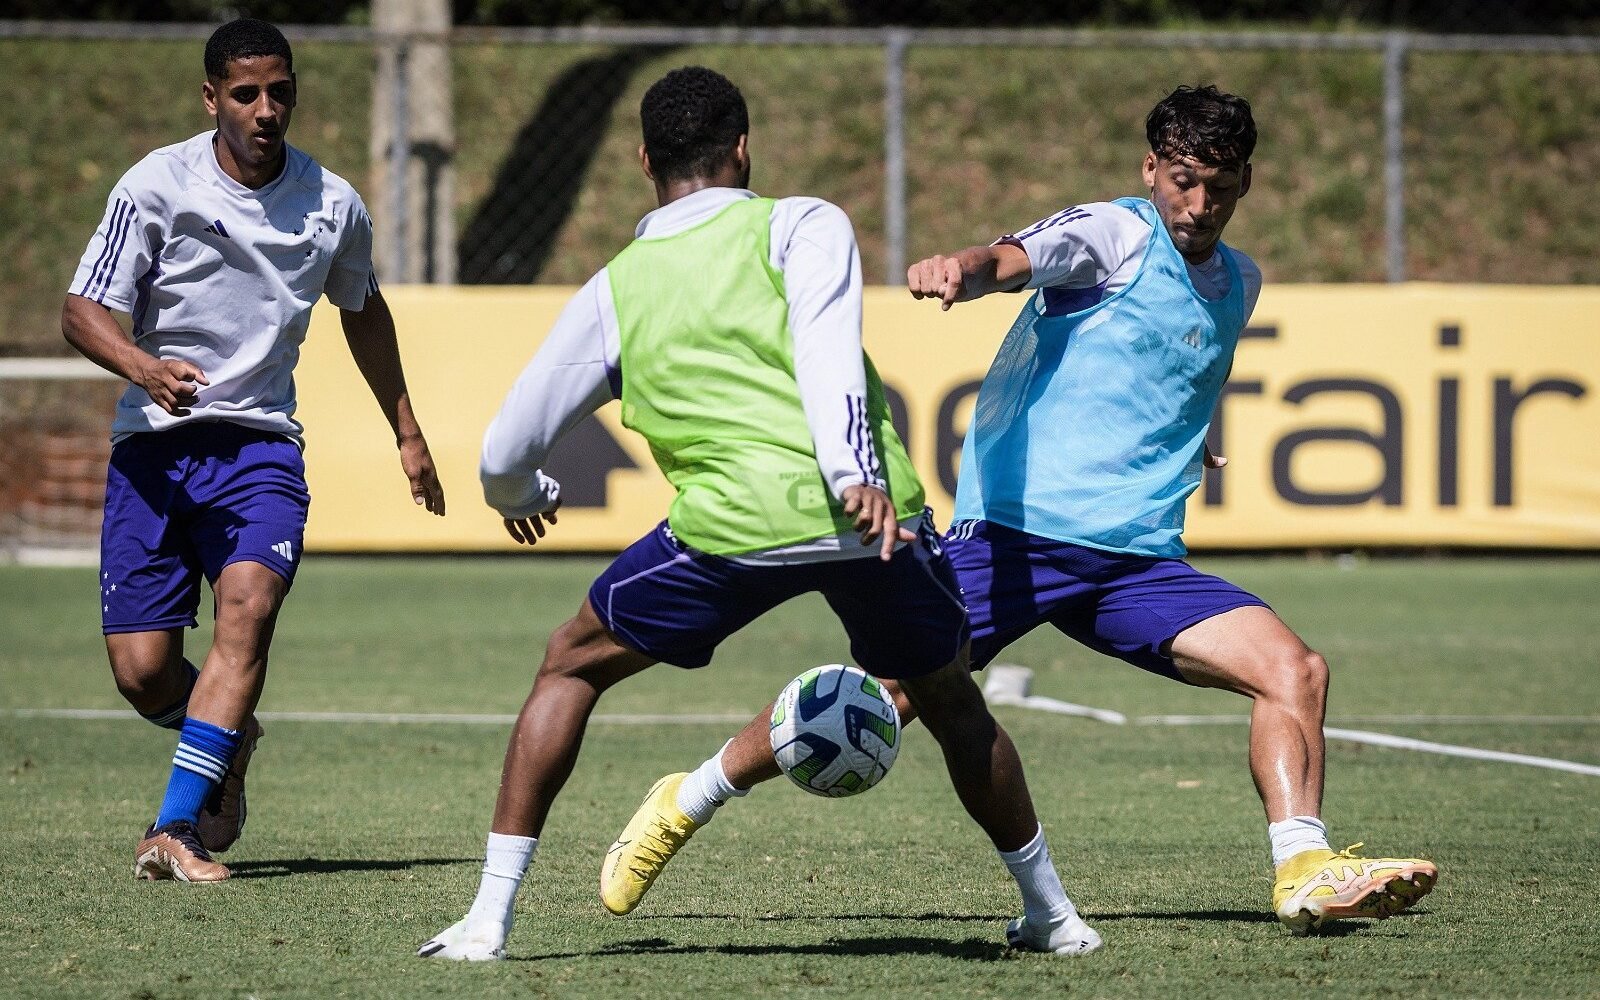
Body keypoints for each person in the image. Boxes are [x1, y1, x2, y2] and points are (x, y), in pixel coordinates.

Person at [620, 85, 1437, 937]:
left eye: (1221, 186)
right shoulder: (1116, 231)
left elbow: (1170, 366)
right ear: (1151, 168)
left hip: (1136, 561)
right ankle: (688, 797)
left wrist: (1191, 436)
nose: (1199, 205)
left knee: (1296, 672)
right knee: (879, 698)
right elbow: (1012, 259)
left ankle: (1303, 867)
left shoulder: (1241, 281)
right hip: (1017, 541)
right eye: (1184, 179)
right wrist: (961, 272)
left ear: (1247, 183)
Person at [418, 66, 1099, 961]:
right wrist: (853, 470)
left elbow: (506, 446)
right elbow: (822, 344)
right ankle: (1052, 916)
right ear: (743, 147)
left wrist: (523, 497)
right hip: (867, 518)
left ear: (642, 161)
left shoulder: (615, 288)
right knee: (951, 700)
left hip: (730, 530)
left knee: (570, 665)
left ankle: (487, 922)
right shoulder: (802, 221)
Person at [62, 18, 445, 883]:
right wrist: (141, 365)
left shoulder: (333, 203)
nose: (266, 109)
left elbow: (364, 309)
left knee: (248, 606)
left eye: (280, 91)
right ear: (212, 99)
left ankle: (174, 830)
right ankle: (229, 740)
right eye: (245, 94)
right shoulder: (156, 184)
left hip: (261, 447)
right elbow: (82, 309)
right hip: (153, 448)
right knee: (142, 674)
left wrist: (408, 432)